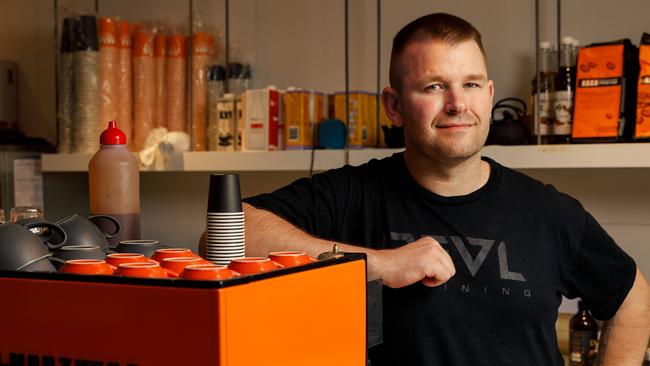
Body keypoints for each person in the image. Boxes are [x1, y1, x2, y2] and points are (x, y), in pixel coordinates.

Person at [238, 13, 650, 365]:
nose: (457, 103)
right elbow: (227, 232)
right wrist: (378, 265)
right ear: (394, 106)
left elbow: (632, 298)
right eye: (434, 86)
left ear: (489, 97)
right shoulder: (354, 194)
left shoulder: (550, 211)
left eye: (471, 84)